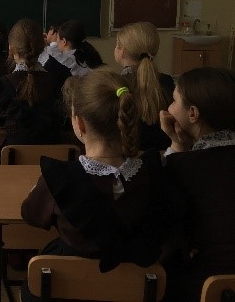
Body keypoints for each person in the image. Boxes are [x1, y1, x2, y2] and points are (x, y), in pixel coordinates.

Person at [20, 69, 172, 302]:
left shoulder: (58, 180)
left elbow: (30, 215)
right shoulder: (154, 174)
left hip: (66, 293)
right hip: (134, 292)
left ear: (79, 124)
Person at [160, 67, 235, 302]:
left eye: (174, 100)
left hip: (205, 287)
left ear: (192, 113)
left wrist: (176, 147)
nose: (169, 108)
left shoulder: (180, 167)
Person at [0, 18, 59, 146]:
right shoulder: (57, 82)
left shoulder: (3, 85)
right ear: (43, 47)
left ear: (10, 50)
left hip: (13, 157)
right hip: (55, 157)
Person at [115, 21, 174, 150]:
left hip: (128, 153)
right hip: (165, 153)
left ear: (122, 51)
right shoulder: (167, 81)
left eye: (117, 45)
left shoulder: (116, 84)